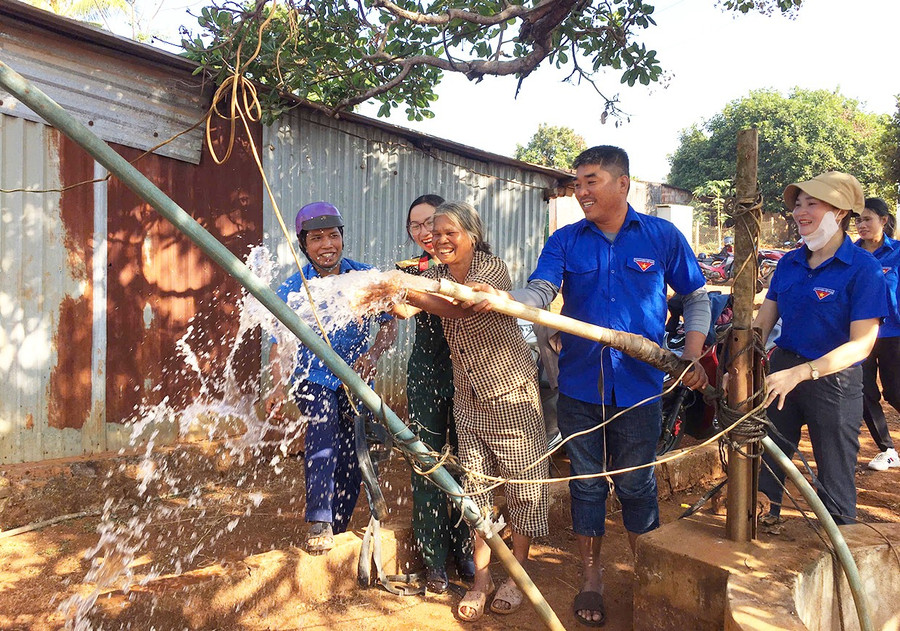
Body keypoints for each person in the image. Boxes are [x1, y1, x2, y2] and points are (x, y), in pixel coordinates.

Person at [468, 145, 710, 626]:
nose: (580, 192)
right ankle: (592, 575)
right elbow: (540, 291)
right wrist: (504, 299)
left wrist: (691, 354)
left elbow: (696, 296)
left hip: (640, 386)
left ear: (623, 183)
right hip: (579, 383)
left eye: (590, 181)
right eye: (577, 183)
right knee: (587, 484)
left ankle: (647, 569)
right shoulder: (565, 239)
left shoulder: (662, 236)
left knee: (637, 481)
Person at [395, 201, 549, 623]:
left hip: (509, 396)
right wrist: (392, 296)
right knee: (476, 490)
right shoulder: (435, 275)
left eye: (450, 233)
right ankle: (481, 582)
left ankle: (516, 576)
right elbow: (409, 305)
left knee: (523, 488)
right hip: (469, 398)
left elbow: (458, 307)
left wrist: (408, 291)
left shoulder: (491, 270)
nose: (441, 239)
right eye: (435, 233)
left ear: (473, 235)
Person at [753, 173, 887, 527]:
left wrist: (803, 373)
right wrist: (736, 361)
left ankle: (839, 556)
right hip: (781, 372)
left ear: (841, 211)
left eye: (812, 203)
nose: (801, 212)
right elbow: (763, 323)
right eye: (797, 205)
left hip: (834, 382)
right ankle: (765, 533)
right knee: (768, 462)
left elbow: (862, 344)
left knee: (835, 476)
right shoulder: (789, 263)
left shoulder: (864, 268)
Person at [265, 201, 397, 554]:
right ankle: (319, 520)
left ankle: (337, 525)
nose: (327, 245)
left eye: (333, 236)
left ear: (343, 238)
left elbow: (389, 326)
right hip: (312, 379)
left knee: (355, 454)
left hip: (355, 382)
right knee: (323, 438)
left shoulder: (365, 278)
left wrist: (372, 355)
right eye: (317, 238)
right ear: (304, 245)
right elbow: (282, 346)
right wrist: (278, 386)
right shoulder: (293, 289)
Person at [395, 194, 474, 592]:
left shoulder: (473, 270)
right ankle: (434, 560)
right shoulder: (408, 271)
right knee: (426, 461)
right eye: (416, 226)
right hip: (427, 374)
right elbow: (401, 309)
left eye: (432, 224)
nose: (426, 233)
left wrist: (412, 293)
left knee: (467, 461)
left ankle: (467, 551)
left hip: (468, 374)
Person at [854, 197, 900, 470]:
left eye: (867, 219)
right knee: (864, 391)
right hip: (860, 333)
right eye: (858, 220)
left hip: (894, 333)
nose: (861, 225)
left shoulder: (897, 252)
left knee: (895, 392)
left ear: (883, 220)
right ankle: (888, 450)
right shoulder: (852, 255)